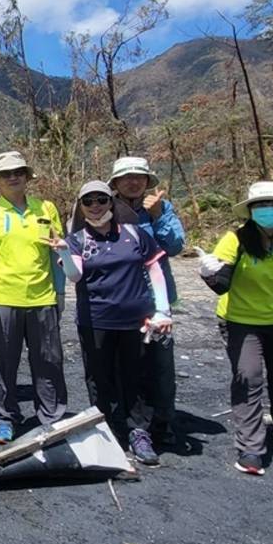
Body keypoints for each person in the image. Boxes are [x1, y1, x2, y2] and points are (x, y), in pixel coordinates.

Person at [199, 181, 273, 475]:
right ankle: (251, 447)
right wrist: (209, 275)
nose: (269, 211)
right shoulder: (235, 240)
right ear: (250, 210)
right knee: (248, 379)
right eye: (262, 205)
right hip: (241, 321)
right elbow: (222, 286)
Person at [55, 181, 171, 466]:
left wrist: (163, 310)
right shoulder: (78, 240)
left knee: (137, 377)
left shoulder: (135, 233)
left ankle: (138, 432)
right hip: (96, 321)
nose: (95, 206)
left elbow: (155, 269)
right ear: (81, 208)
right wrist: (63, 253)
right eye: (88, 202)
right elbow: (74, 276)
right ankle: (105, 430)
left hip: (137, 321)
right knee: (99, 378)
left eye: (101, 200)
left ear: (112, 203)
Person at [0, 152, 67, 444]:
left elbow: (56, 252)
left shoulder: (45, 209)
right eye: (6, 173)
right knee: (2, 363)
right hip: (1, 301)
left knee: (49, 361)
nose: (13, 177)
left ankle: (51, 418)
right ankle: (5, 418)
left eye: (19, 171)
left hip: (42, 299)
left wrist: (59, 295)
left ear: (27, 176)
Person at [109, 156, 186, 448]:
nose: (133, 182)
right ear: (115, 183)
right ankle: (126, 423)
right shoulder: (105, 208)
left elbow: (175, 246)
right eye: (126, 177)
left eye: (138, 177)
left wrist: (157, 217)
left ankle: (161, 423)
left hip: (156, 302)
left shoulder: (161, 208)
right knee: (122, 366)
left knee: (160, 366)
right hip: (120, 301)